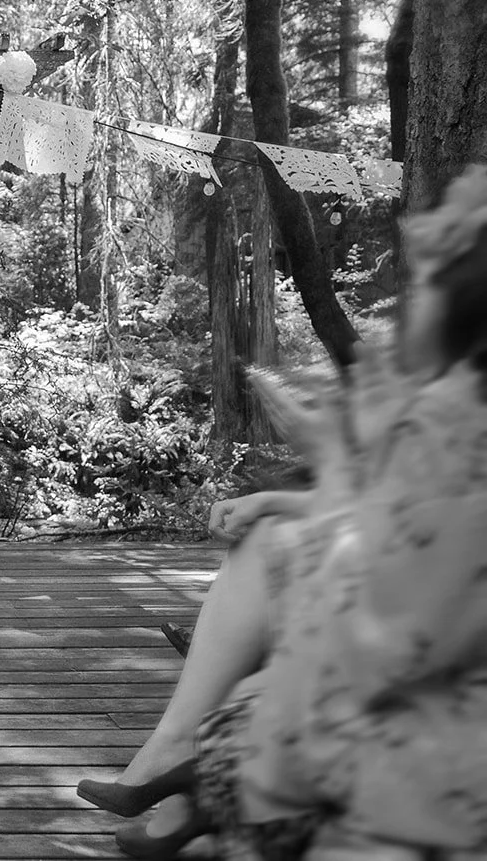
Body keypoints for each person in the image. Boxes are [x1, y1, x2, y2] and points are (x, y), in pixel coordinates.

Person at [78, 166, 487, 859]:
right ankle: (185, 782)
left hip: (424, 782)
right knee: (268, 545)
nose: (402, 313)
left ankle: (193, 778)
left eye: (424, 294)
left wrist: (334, 460)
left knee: (260, 711)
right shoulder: (451, 426)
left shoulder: (453, 434)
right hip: (416, 725)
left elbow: (378, 624)